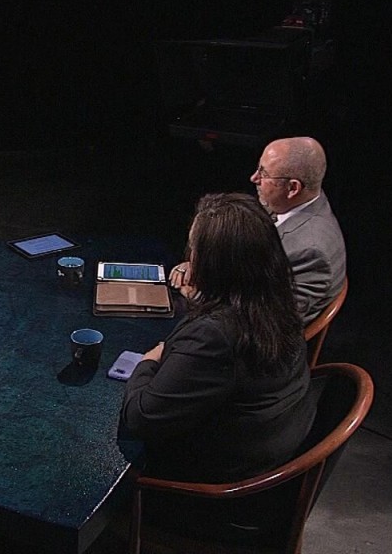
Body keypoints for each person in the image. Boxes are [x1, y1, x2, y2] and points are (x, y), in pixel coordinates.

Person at [121, 193, 315, 541]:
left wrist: (149, 362)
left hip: (211, 500)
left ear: (213, 264)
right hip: (261, 471)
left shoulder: (216, 337)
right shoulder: (276, 304)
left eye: (195, 250)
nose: (189, 257)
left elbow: (141, 418)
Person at [169, 136, 346, 324]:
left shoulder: (310, 252)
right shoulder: (292, 203)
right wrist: (205, 263)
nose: (254, 178)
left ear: (293, 188)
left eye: (264, 173)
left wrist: (197, 293)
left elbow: (266, 323)